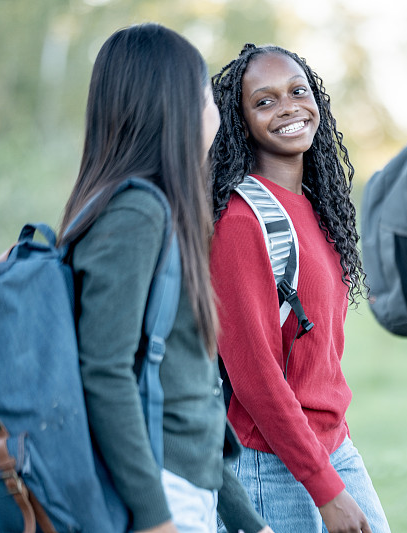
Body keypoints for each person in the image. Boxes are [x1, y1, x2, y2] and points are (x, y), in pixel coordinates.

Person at [57, 23, 270, 533]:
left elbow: (184, 387)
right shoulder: (136, 213)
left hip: (185, 490)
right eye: (204, 96)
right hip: (158, 492)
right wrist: (155, 518)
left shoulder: (157, 214)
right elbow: (105, 372)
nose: (216, 112)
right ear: (177, 108)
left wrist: (247, 520)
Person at [209, 44, 390, 533]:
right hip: (270, 461)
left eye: (297, 91)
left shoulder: (315, 206)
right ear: (240, 121)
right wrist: (326, 490)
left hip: (332, 443)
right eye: (264, 101)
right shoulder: (239, 221)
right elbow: (256, 378)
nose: (288, 107)